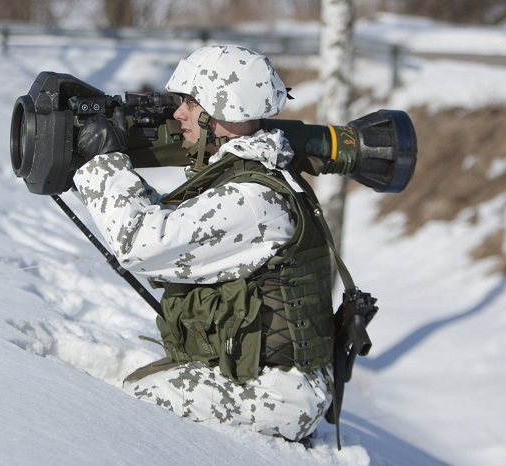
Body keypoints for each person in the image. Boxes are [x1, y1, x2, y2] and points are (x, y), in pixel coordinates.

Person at [72, 45, 335, 443]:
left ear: (222, 110)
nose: (178, 115)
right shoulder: (251, 172)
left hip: (280, 392)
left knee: (136, 404)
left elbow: (143, 245)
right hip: (266, 373)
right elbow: (175, 229)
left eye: (189, 103)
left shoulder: (250, 199)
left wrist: (103, 164)